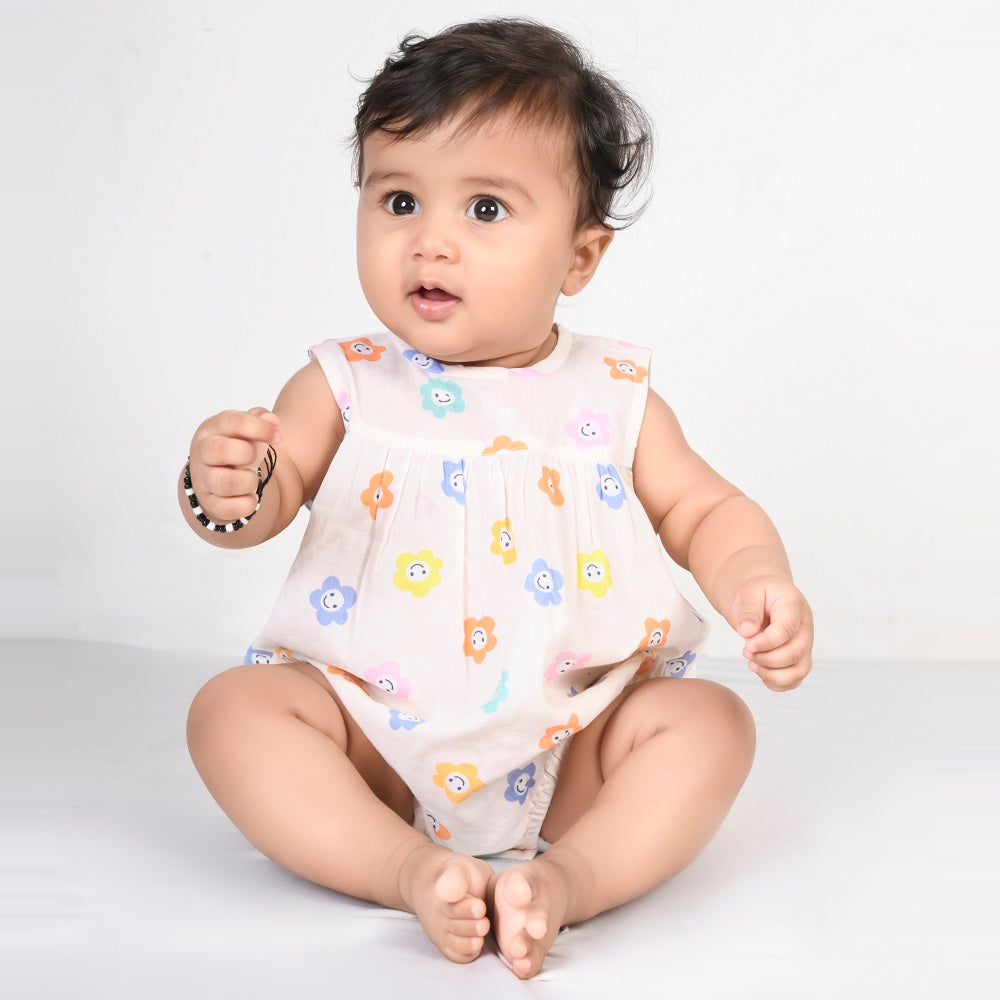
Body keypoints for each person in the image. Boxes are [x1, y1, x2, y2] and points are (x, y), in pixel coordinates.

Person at [180, 18, 813, 980]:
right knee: (233, 711)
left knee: (709, 727)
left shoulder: (614, 397)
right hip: (370, 741)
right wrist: (223, 487)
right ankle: (403, 867)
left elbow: (703, 512)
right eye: (399, 199)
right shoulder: (343, 383)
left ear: (578, 259)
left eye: (485, 210)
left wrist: (756, 577)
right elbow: (265, 504)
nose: (431, 240)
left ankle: (568, 882)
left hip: (571, 739)